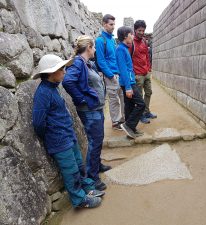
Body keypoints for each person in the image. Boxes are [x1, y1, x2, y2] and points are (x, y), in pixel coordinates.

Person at [32, 54, 104, 209]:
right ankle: (79, 199)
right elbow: (38, 122)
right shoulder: (43, 93)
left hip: (68, 136)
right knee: (70, 171)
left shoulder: (52, 88)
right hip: (58, 140)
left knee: (78, 164)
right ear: (51, 73)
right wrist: (51, 134)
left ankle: (86, 188)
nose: (65, 72)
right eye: (62, 69)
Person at [62, 35, 109, 191]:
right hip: (89, 110)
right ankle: (92, 177)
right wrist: (81, 99)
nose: (95, 49)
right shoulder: (77, 63)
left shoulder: (87, 63)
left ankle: (97, 165)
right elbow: (68, 81)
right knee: (95, 141)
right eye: (94, 47)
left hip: (95, 108)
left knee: (98, 138)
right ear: (88, 47)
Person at [95, 14, 125, 130]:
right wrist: (110, 75)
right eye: (111, 24)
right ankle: (116, 122)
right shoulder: (100, 40)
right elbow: (101, 61)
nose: (113, 27)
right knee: (113, 100)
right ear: (104, 24)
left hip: (118, 74)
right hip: (110, 75)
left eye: (114, 24)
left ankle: (123, 119)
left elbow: (116, 57)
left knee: (122, 97)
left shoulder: (112, 40)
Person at [116, 26, 146, 139]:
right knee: (141, 104)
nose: (133, 36)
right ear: (125, 36)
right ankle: (129, 125)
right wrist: (128, 87)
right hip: (128, 83)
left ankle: (131, 130)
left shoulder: (124, 48)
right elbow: (123, 70)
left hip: (128, 82)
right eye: (131, 34)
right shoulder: (120, 49)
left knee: (129, 106)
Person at [129, 20, 157, 124]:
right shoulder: (131, 43)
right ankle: (140, 115)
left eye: (143, 30)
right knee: (139, 97)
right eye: (139, 30)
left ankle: (146, 112)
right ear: (135, 30)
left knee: (149, 92)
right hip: (138, 74)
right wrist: (133, 73)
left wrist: (149, 68)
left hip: (146, 73)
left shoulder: (144, 41)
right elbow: (128, 59)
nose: (141, 32)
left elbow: (147, 56)